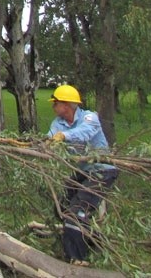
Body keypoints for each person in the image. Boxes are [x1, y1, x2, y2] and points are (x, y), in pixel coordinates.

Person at [47, 84, 118, 266]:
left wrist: (64, 136)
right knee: (61, 207)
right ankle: (93, 240)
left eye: (56, 103)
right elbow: (50, 138)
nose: (53, 107)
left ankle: (77, 260)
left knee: (76, 213)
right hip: (82, 171)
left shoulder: (89, 117)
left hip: (102, 170)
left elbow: (83, 134)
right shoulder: (58, 124)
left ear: (66, 105)